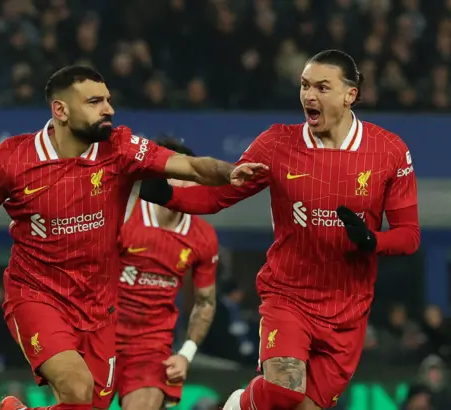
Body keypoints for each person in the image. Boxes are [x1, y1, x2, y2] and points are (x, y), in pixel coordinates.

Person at [0, 65, 266, 410]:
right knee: (76, 385)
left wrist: (230, 171)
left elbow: (190, 167)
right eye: (95, 101)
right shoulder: (13, 157)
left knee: (88, 405)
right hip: (37, 296)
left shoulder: (120, 148)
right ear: (61, 110)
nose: (108, 110)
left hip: (99, 308)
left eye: (108, 100)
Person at [140, 50, 420, 410]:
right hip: (289, 296)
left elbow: (409, 234)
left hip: (348, 310)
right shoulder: (278, 143)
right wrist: (166, 194)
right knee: (284, 390)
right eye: (304, 86)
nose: (309, 96)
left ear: (350, 94)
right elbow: (221, 195)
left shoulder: (389, 151)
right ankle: (239, 404)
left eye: (322, 86)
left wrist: (371, 241)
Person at [115, 137, 219, 410]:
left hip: (151, 348)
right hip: (100, 333)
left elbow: (205, 302)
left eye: (192, 178)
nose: (187, 184)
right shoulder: (126, 214)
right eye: (179, 176)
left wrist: (186, 354)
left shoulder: (203, 237)